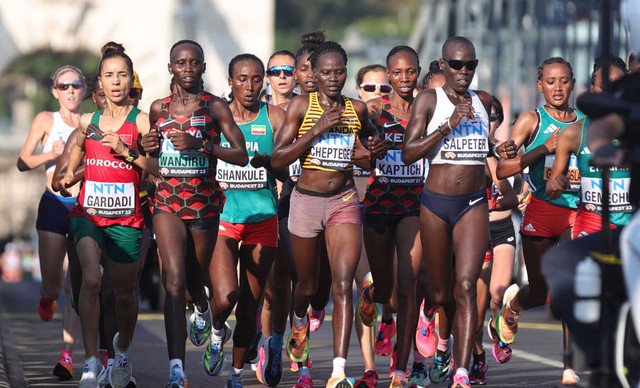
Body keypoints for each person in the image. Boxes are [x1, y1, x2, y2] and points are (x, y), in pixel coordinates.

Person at [271, 41, 386, 388]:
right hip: (305, 202)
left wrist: (374, 149)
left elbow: (370, 146)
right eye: (325, 72)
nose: (333, 78)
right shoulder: (300, 107)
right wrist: (318, 128)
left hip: (344, 201)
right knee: (307, 287)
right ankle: (298, 319)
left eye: (339, 71)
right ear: (314, 74)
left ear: (346, 71)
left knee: (343, 285)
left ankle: (338, 370)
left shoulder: (357, 110)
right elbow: (278, 161)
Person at [140, 40, 248, 388]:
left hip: (203, 202)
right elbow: (153, 155)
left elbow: (241, 154)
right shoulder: (159, 108)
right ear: (170, 67)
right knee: (173, 280)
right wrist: (147, 147)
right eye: (180, 63)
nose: (187, 68)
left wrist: (202, 145)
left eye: (194, 62)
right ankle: (177, 369)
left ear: (202, 67)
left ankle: (202, 308)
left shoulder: (214, 106)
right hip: (168, 200)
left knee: (194, 278)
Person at [59, 47, 157, 388]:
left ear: (130, 81)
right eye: (109, 76)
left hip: (127, 219)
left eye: (122, 75)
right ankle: (89, 362)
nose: (116, 82)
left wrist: (127, 152)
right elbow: (78, 143)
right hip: (88, 214)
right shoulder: (89, 121)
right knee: (91, 281)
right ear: (99, 83)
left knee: (126, 295)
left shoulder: (142, 121)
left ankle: (123, 350)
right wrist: (71, 173)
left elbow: (158, 169)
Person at [403, 36, 498, 388]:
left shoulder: (483, 101)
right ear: (443, 65)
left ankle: (460, 371)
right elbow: (410, 152)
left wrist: (499, 148)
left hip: (473, 203)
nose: (463, 71)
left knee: (467, 286)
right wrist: (446, 125)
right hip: (436, 205)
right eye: (456, 65)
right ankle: (430, 315)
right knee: (441, 293)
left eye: (470, 65)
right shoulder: (430, 99)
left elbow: (484, 148)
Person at [495, 57, 584, 385]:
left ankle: (569, 366)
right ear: (539, 86)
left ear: (573, 83)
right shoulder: (531, 120)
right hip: (541, 212)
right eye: (550, 82)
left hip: (576, 212)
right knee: (541, 291)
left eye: (563, 81)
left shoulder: (585, 122)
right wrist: (542, 149)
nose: (557, 88)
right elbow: (503, 169)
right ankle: (513, 306)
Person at [205, 53, 285, 388]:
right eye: (241, 79)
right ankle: (216, 329)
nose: (249, 87)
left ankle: (235, 375)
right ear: (230, 81)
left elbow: (288, 166)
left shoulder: (275, 116)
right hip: (224, 219)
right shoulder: (214, 117)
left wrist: (272, 164)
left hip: (263, 218)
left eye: (256, 79)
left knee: (250, 306)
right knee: (226, 297)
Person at [257, 30, 327, 388]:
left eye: (294, 70)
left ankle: (299, 355)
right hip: (279, 203)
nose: (288, 76)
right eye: (280, 71)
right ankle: (273, 344)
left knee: (310, 284)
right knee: (280, 284)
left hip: (321, 202)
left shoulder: (332, 107)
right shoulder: (268, 113)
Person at [357, 45, 425, 388]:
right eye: (396, 73)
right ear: (388, 73)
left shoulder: (428, 108)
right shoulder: (372, 112)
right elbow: (354, 155)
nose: (403, 79)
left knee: (408, 286)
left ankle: (401, 368)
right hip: (379, 205)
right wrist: (370, 152)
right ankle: (370, 297)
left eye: (410, 71)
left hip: (415, 204)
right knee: (385, 291)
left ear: (418, 71)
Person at [17, 65, 86, 380]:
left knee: (76, 283)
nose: (70, 91)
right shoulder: (47, 120)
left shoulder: (91, 122)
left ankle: (67, 357)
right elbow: (22, 161)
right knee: (53, 286)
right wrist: (52, 155)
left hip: (84, 207)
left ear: (84, 89)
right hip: (53, 206)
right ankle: (46, 296)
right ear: (55, 91)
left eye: (75, 85)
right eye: (64, 86)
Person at [546, 55, 628, 239]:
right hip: (591, 223)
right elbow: (551, 189)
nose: (611, 95)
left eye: (617, 87)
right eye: (604, 88)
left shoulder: (635, 131)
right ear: (592, 90)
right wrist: (557, 183)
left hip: (630, 226)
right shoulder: (573, 133)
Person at [469, 96, 519, 384]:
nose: (488, 121)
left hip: (500, 231)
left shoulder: (503, 151)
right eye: (483, 116)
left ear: (498, 121)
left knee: (498, 294)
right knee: (473, 307)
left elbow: (511, 196)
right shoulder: (464, 148)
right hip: (473, 233)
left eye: (493, 116)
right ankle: (477, 356)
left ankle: (499, 327)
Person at [349, 63, 390, 388]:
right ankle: (369, 368)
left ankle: (389, 318)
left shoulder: (402, 123)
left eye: (384, 89)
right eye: (371, 88)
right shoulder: (346, 122)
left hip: (393, 214)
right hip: (353, 214)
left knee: (390, 289)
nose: (378, 95)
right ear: (358, 91)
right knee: (367, 284)